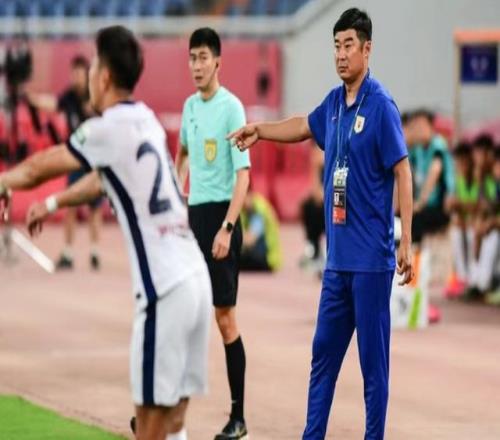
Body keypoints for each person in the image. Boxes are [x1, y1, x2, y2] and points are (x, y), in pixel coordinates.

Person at [0, 25, 211, 440]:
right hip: (195, 279)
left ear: (105, 76)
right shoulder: (146, 120)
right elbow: (101, 180)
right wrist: (54, 203)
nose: (91, 74)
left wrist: (5, 181)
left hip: (164, 291)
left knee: (149, 428)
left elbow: (42, 165)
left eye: (95, 65)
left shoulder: (106, 127)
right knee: (175, 424)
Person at [229, 8, 414, 440]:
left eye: (349, 45)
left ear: (367, 49)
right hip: (336, 264)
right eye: (336, 46)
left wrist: (405, 238)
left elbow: (403, 170)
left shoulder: (381, 107)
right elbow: (301, 126)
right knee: (322, 357)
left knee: (373, 366)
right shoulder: (333, 105)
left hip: (371, 263)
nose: (341, 54)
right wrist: (261, 130)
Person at [174, 28, 250, 440]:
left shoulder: (232, 109)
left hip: (222, 218)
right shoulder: (189, 107)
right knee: (183, 315)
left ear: (218, 61)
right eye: (192, 58)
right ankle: (166, 413)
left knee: (224, 319)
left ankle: (238, 418)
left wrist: (227, 228)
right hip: (194, 218)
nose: (196, 65)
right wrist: (176, 191)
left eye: (203, 57)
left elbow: (244, 177)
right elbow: (184, 152)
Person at [409, 109, 455, 245]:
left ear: (430, 126)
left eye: (421, 126)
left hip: (439, 205)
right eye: (415, 126)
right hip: (424, 207)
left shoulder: (437, 144)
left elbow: (434, 172)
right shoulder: (417, 149)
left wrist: (419, 203)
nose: (418, 130)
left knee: (414, 222)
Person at [240, 186, 282, 272]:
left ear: (249, 194)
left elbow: (250, 240)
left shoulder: (259, 208)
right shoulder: (242, 210)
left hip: (268, 257)